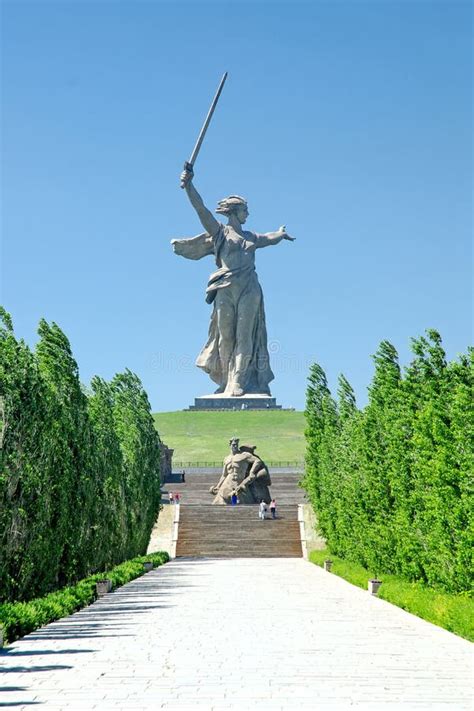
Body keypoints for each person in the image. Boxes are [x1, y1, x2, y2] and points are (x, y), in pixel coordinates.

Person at [172, 164, 295, 397]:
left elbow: (269, 238)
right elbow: (201, 210)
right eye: (245, 210)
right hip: (225, 288)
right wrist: (189, 185)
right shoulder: (219, 232)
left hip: (249, 288)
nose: (248, 214)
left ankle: (238, 381)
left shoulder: (251, 237)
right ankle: (227, 380)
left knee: (245, 335)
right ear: (234, 212)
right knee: (226, 336)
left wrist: (280, 233)